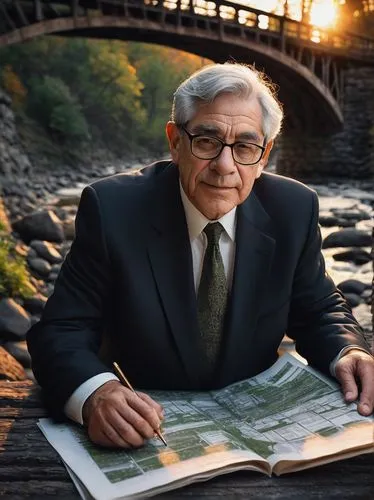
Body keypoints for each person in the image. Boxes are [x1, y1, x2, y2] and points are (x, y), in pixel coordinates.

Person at [27, 63, 374, 449]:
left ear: (264, 155)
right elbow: (61, 330)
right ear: (175, 141)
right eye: (207, 142)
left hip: (258, 433)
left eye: (245, 147)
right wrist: (96, 394)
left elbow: (319, 309)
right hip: (148, 428)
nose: (225, 167)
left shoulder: (294, 209)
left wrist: (348, 350)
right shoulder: (112, 209)